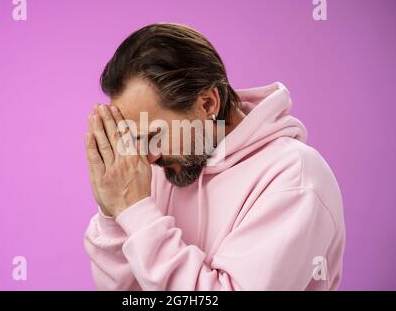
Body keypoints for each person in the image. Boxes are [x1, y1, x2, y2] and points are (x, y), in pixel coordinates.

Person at [83, 23, 345, 290]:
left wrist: (136, 212)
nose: (148, 158)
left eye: (154, 136)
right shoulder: (166, 165)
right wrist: (114, 210)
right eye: (139, 140)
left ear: (208, 103)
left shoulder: (295, 178)